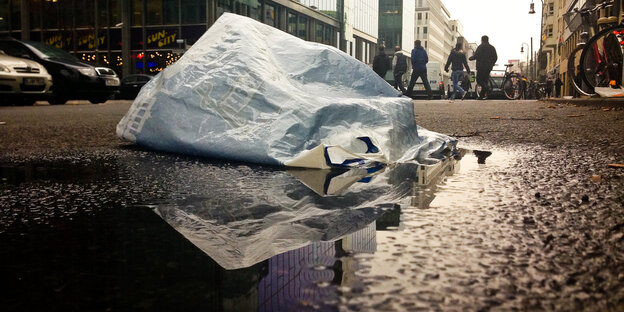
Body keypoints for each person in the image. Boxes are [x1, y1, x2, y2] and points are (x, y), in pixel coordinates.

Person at [469, 35, 497, 100]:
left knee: (479, 79)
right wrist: (492, 63)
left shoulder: (480, 47)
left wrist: (471, 58)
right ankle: (481, 96)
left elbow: (476, 55)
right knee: (485, 80)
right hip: (489, 67)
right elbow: (495, 57)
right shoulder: (492, 48)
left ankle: (487, 88)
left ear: (482, 40)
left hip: (481, 66)